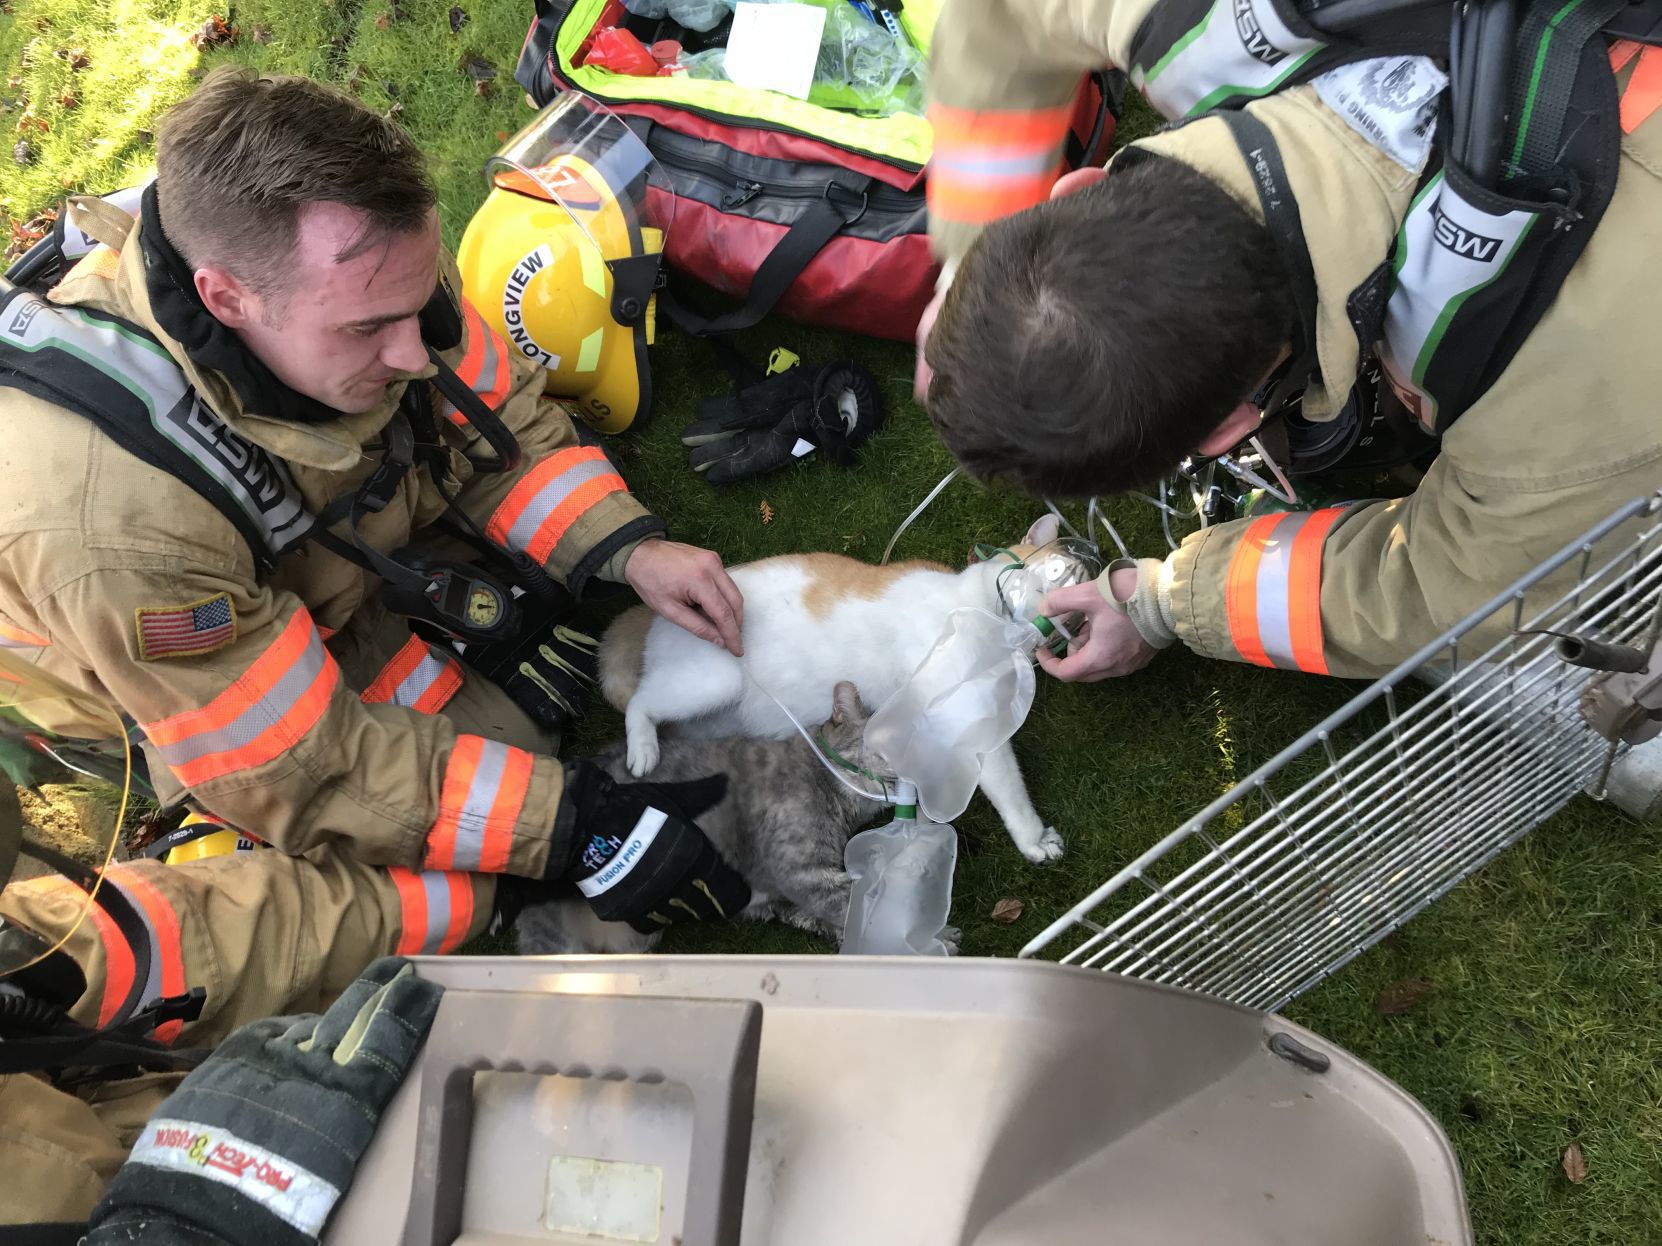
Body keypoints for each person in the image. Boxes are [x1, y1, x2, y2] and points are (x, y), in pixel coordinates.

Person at [0, 68, 749, 926]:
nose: (414, 354)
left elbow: (501, 423)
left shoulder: (372, 277)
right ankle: (219, 844)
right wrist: (570, 824)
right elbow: (296, 763)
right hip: (196, 694)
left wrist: (627, 548)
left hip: (324, 575)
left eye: (418, 301)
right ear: (226, 299)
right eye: (367, 331)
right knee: (433, 893)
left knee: (511, 730)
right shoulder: (118, 527)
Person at [915, 0, 1662, 684]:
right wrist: (977, 263)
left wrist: (1165, 600)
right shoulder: (1198, 25)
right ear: (1074, 191)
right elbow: (999, 16)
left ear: (1232, 427)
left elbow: (1444, 589)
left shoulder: (1567, 396)